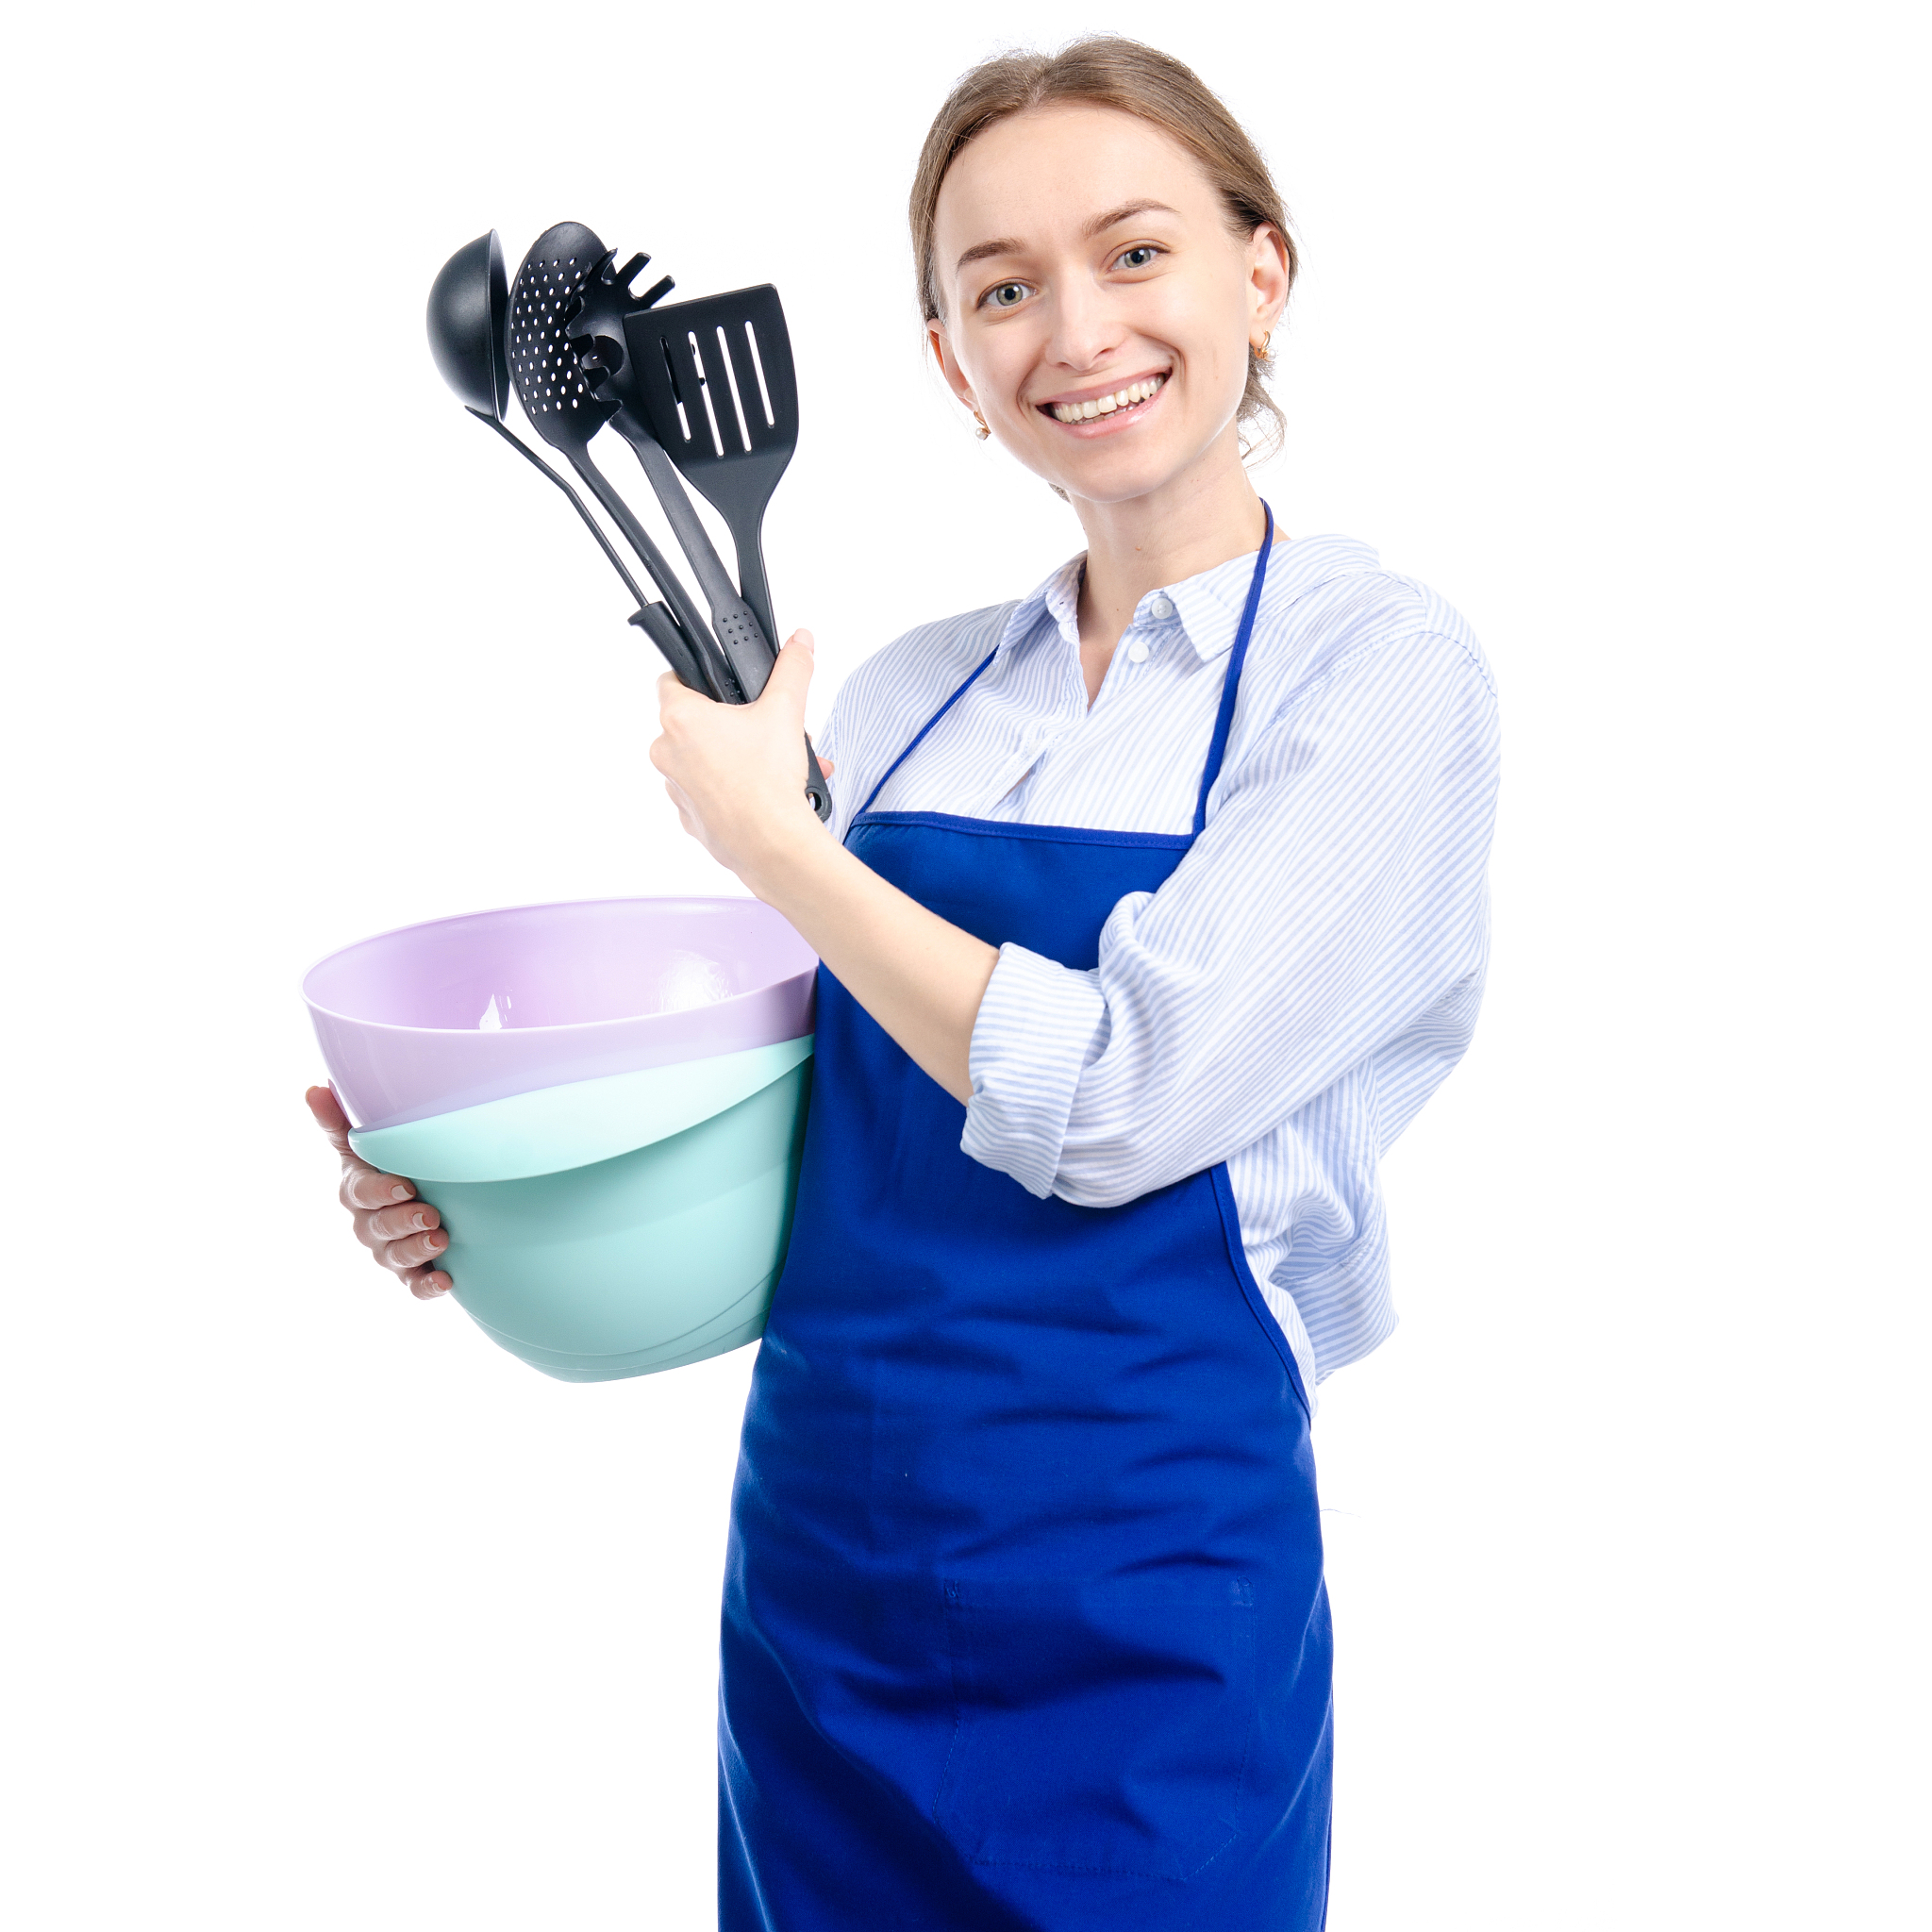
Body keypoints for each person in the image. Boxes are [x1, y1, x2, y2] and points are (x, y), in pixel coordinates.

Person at [309, 35, 1500, 1930]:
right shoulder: (906, 696)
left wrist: (775, 841)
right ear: (951, 362)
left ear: (1258, 274)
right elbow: (823, 1165)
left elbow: (1117, 1100)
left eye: (1134, 253)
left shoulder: (1376, 678)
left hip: (1142, 1601)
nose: (1072, 328)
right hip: (823, 1592)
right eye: (1000, 288)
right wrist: (497, 1205)